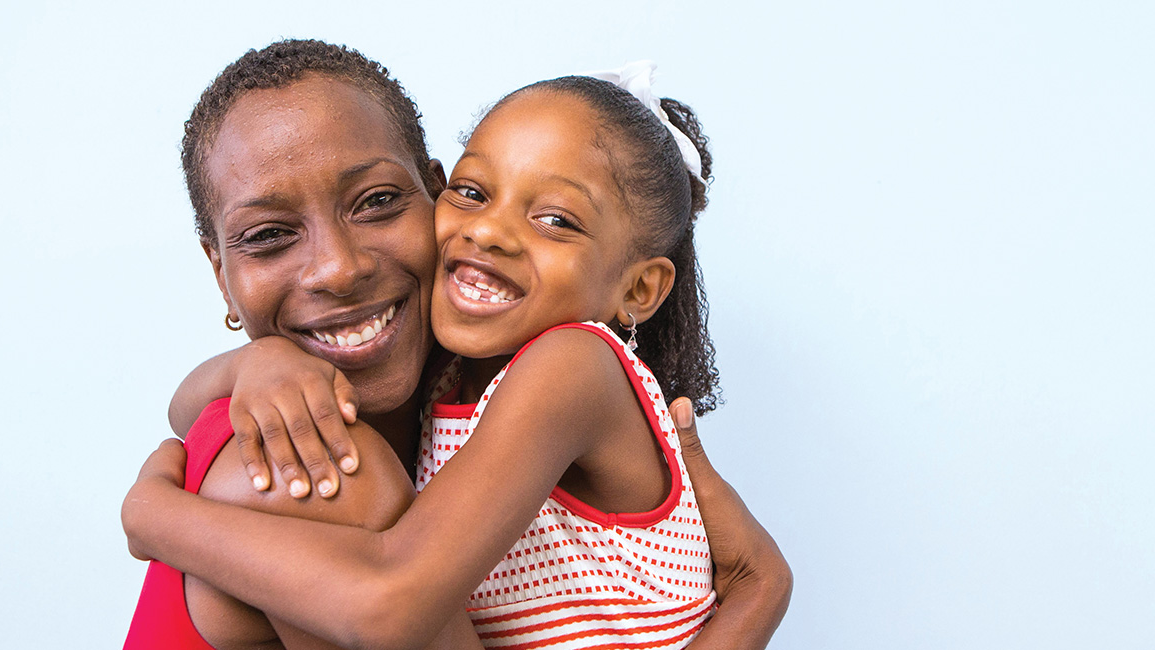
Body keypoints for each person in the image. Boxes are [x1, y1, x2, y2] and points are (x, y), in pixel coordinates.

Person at [122, 40, 790, 650]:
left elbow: (756, 574)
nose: (339, 269)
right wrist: (258, 360)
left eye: (378, 200)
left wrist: (154, 518)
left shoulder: (543, 368)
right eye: (268, 234)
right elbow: (191, 412)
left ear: (428, 194)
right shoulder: (306, 448)